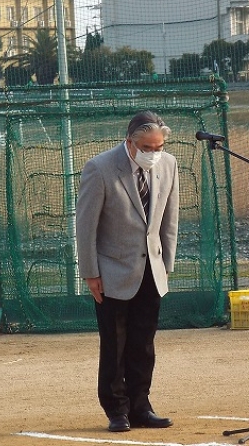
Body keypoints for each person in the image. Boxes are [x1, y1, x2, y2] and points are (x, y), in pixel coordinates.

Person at [76, 111, 180, 433]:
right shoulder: (100, 168)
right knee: (115, 344)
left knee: (143, 343)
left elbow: (170, 219)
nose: (154, 153)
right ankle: (117, 410)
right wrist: (90, 273)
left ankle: (141, 406)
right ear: (130, 142)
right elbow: (85, 226)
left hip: (152, 269)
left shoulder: (169, 165)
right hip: (111, 271)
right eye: (147, 147)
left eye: (159, 146)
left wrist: (166, 266)